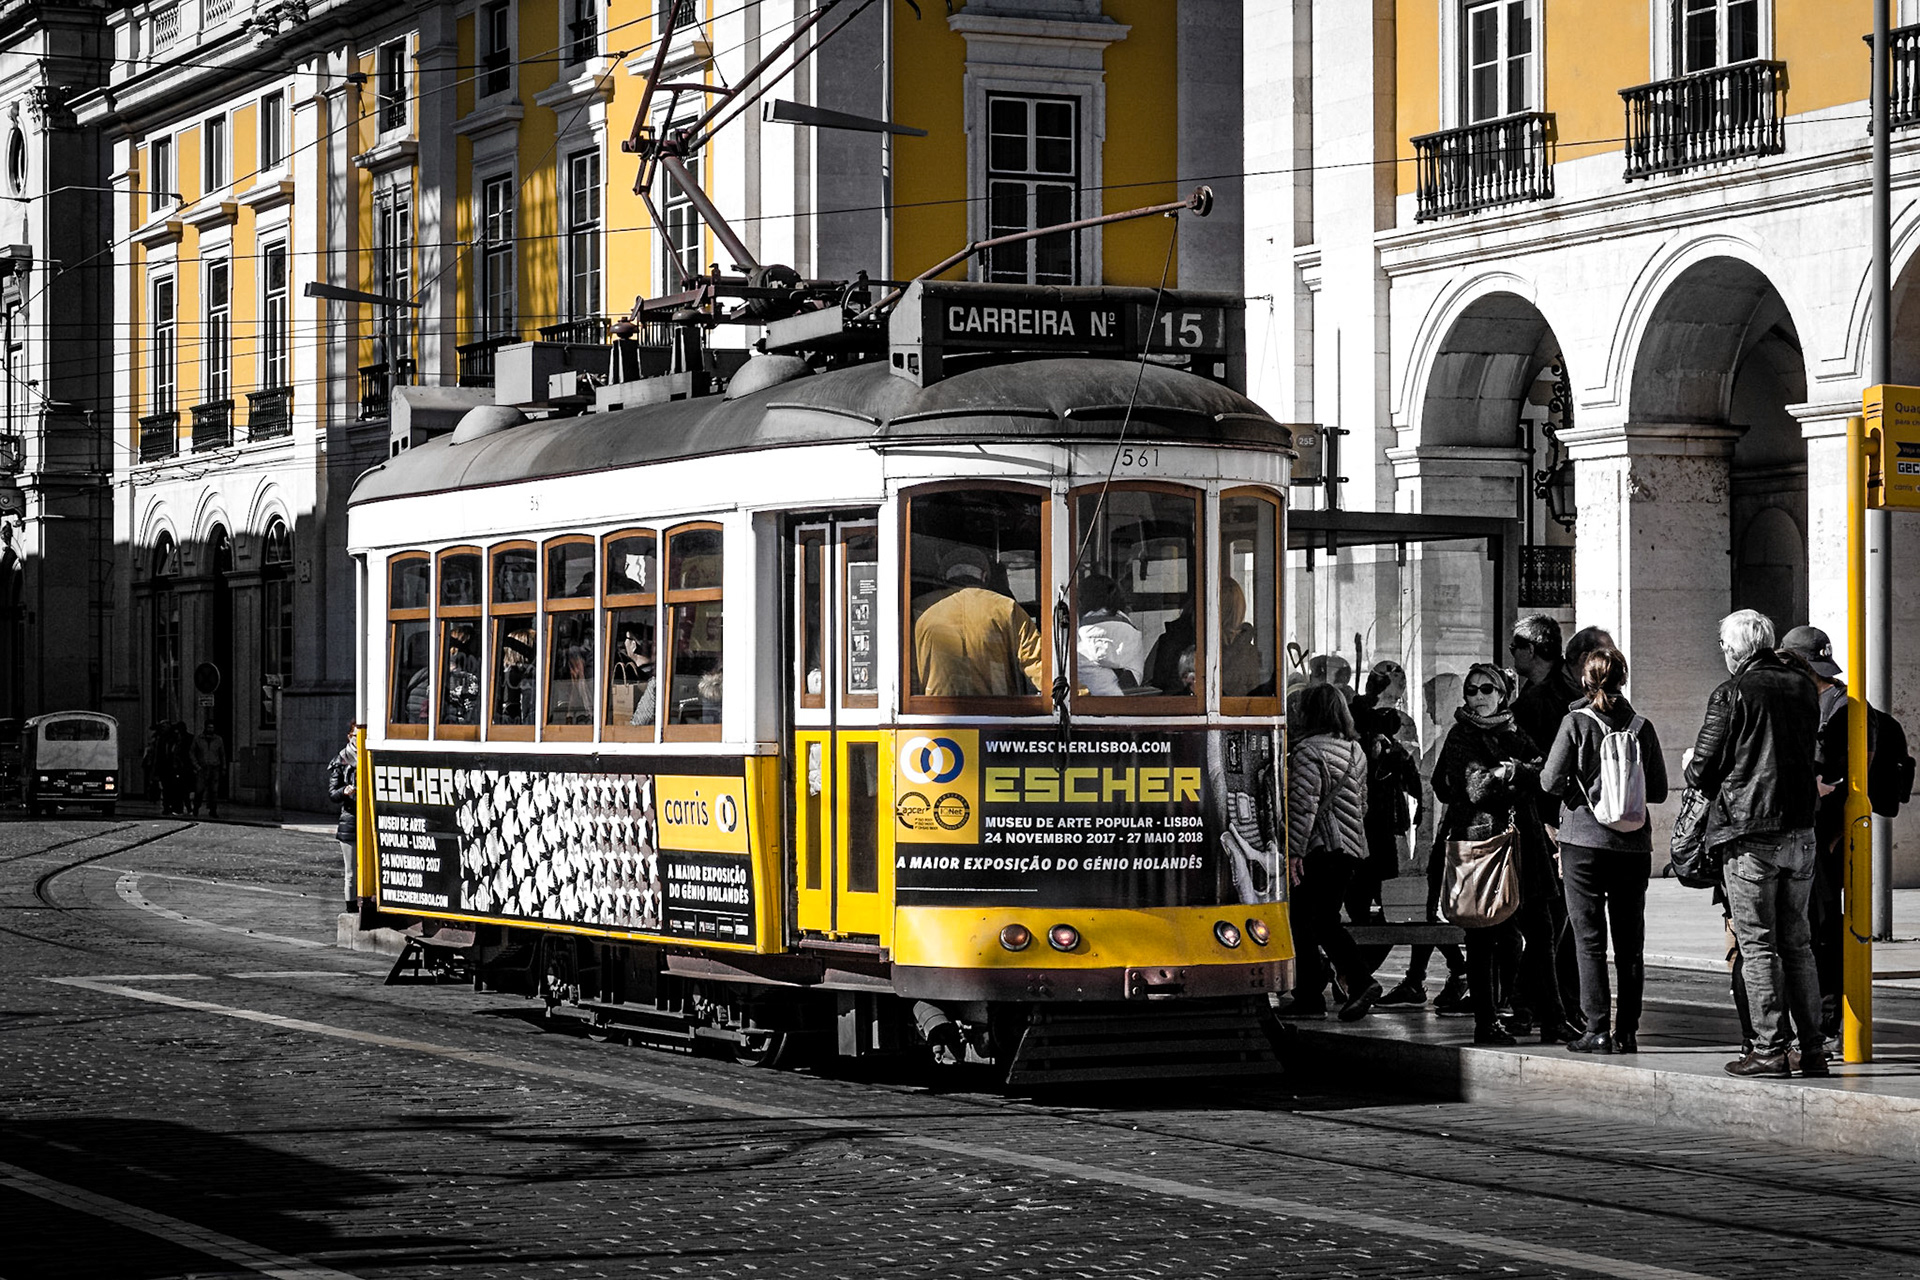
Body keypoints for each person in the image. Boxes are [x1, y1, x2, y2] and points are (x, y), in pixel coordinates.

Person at [1686, 609, 1826, 1079]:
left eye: (1726, 648)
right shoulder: (1803, 686)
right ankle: (1812, 1049)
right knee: (1799, 944)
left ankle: (1768, 1049)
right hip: (1801, 831)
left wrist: (1691, 762)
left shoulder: (1732, 692)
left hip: (1750, 835)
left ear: (1738, 649)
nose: (1724, 655)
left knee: (1758, 945)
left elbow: (1703, 769)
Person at [1540, 646, 1668, 1054]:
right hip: (1633, 845)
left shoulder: (1575, 722)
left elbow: (1549, 781)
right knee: (1631, 943)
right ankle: (1628, 1031)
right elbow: (1662, 790)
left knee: (1589, 940)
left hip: (1583, 841)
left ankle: (1596, 1028)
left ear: (1585, 679)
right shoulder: (1642, 726)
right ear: (1624, 679)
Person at [1431, 662, 1561, 1045]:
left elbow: (1543, 770)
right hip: (1482, 843)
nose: (1478, 697)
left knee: (1541, 929)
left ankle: (1552, 1017)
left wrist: (1513, 771)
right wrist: (1507, 776)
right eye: (1472, 690)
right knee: (1483, 935)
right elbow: (1475, 788)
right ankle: (1486, 1021)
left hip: (1525, 844)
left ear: (1502, 693)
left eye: (1487, 689)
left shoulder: (1513, 730)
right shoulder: (1462, 735)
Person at [1277, 684, 1378, 1021]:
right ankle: (1337, 987)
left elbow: (1303, 808)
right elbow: (1361, 804)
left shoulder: (1307, 751)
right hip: (1350, 851)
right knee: (1323, 920)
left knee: (1305, 922)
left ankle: (1333, 990)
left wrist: (1294, 853)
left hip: (1320, 850)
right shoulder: (1356, 751)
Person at [1780, 624, 1860, 1039]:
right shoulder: (1823, 701)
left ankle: (1827, 1021)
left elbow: (1846, 776)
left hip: (1823, 836)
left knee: (1822, 932)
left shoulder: (1839, 708)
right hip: (1812, 834)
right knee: (1812, 932)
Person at [911, 544, 1044, 697]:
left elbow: (907, 676)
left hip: (932, 713)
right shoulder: (1007, 608)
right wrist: (1076, 698)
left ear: (943, 576)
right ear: (984, 577)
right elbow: (1039, 666)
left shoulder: (919, 610)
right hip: (997, 713)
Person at [1075, 573, 1144, 695]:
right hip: (1122, 706)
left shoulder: (1073, 637)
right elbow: (1135, 679)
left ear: (1082, 600)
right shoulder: (1133, 634)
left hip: (1083, 705)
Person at [328, 726, 360, 913]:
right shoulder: (341, 760)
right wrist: (344, 791)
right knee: (351, 871)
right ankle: (351, 908)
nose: (360, 738)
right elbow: (333, 793)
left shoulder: (370, 755)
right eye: (356, 735)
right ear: (350, 737)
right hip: (350, 819)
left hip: (368, 820)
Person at [611, 626, 658, 726]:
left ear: (633, 645)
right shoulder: (653, 671)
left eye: (625, 639)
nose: (622, 643)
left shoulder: (649, 676)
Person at [190, 720, 227, 819]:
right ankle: (196, 808)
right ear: (205, 727)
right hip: (202, 768)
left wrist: (223, 767)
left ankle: (213, 810)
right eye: (209, 727)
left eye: (212, 727)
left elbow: (222, 754)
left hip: (215, 767)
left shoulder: (218, 739)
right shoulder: (198, 739)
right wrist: (196, 766)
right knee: (199, 790)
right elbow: (192, 753)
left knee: (214, 791)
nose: (210, 729)